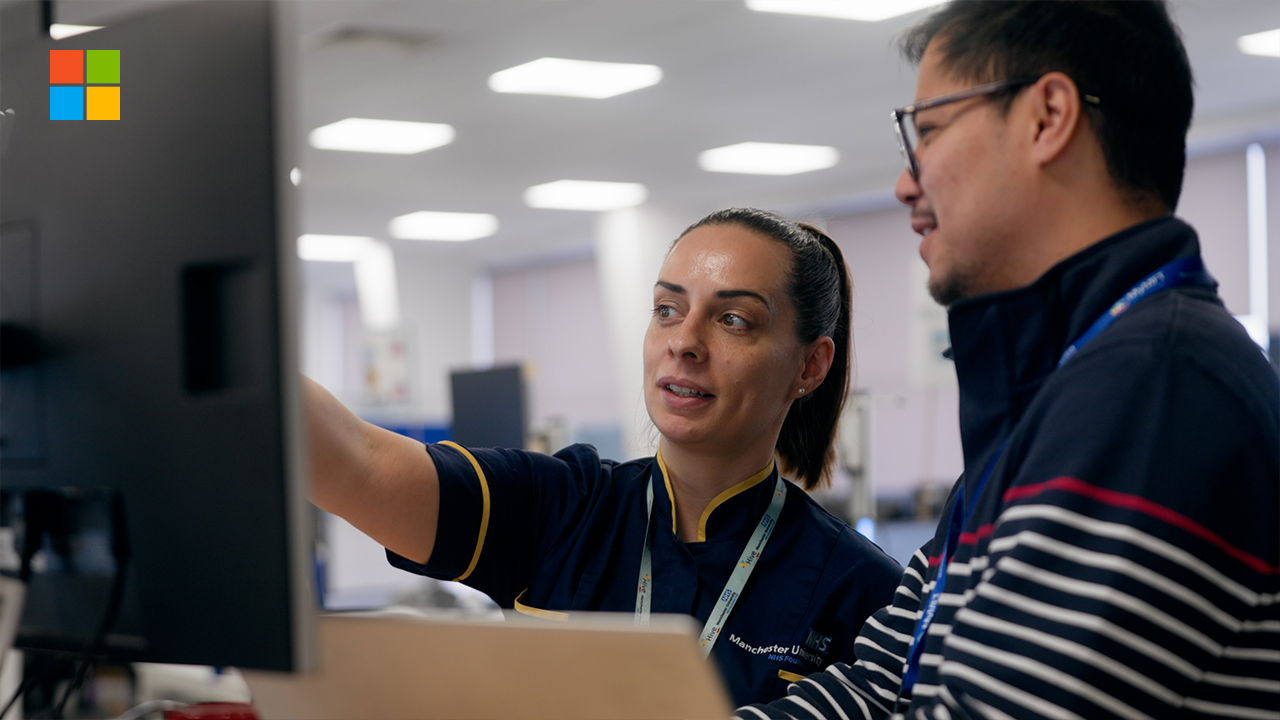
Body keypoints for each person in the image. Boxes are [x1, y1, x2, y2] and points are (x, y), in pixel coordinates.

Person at [738, 2, 1279, 719]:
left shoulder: (1155, 390)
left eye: (927, 131)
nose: (906, 181)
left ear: (1048, 116)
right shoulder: (1058, 398)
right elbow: (877, 684)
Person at [306, 207, 903, 706]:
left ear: (810, 366)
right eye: (667, 309)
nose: (684, 342)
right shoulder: (558, 507)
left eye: (733, 320)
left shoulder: (862, 590)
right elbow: (358, 461)